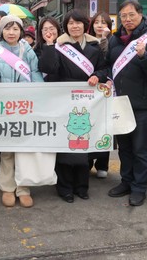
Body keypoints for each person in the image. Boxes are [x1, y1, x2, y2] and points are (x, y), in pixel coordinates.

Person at [38, 10, 108, 203]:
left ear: (85, 25)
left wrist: (98, 76)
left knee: (83, 142)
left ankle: (82, 186)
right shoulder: (59, 46)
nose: (74, 26)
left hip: (87, 101)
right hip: (64, 100)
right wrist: (49, 45)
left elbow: (104, 68)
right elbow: (48, 68)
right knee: (65, 144)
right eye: (70, 23)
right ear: (66, 27)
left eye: (78, 22)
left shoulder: (94, 47)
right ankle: (65, 187)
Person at [105, 1, 147, 207]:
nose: (127, 19)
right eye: (123, 16)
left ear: (140, 15)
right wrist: (105, 78)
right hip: (119, 103)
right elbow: (109, 66)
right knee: (124, 148)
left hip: (142, 105)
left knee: (140, 148)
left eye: (131, 15)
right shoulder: (115, 40)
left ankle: (139, 188)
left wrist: (143, 56)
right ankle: (126, 181)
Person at [0, 15, 44, 207]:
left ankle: (23, 188)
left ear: (21, 31)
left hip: (25, 105)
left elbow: (35, 73)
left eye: (15, 29)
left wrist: (39, 95)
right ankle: (7, 188)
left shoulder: (28, 50)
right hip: (5, 106)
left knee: (24, 149)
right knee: (7, 150)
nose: (11, 32)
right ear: (1, 31)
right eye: (7, 28)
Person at [87, 12, 112, 179]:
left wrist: (104, 39)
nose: (100, 25)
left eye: (104, 22)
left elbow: (110, 62)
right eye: (97, 22)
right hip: (90, 87)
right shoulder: (86, 40)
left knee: (104, 125)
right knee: (88, 124)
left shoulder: (113, 41)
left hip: (106, 88)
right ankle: (88, 161)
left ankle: (102, 163)